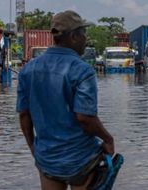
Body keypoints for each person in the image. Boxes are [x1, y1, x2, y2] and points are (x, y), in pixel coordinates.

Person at [16, 10, 114, 190]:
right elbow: (85, 118)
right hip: (80, 160)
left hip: (47, 159)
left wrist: (33, 146)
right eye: (84, 34)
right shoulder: (82, 70)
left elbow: (24, 115)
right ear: (75, 37)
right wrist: (108, 139)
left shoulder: (28, 70)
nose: (86, 39)